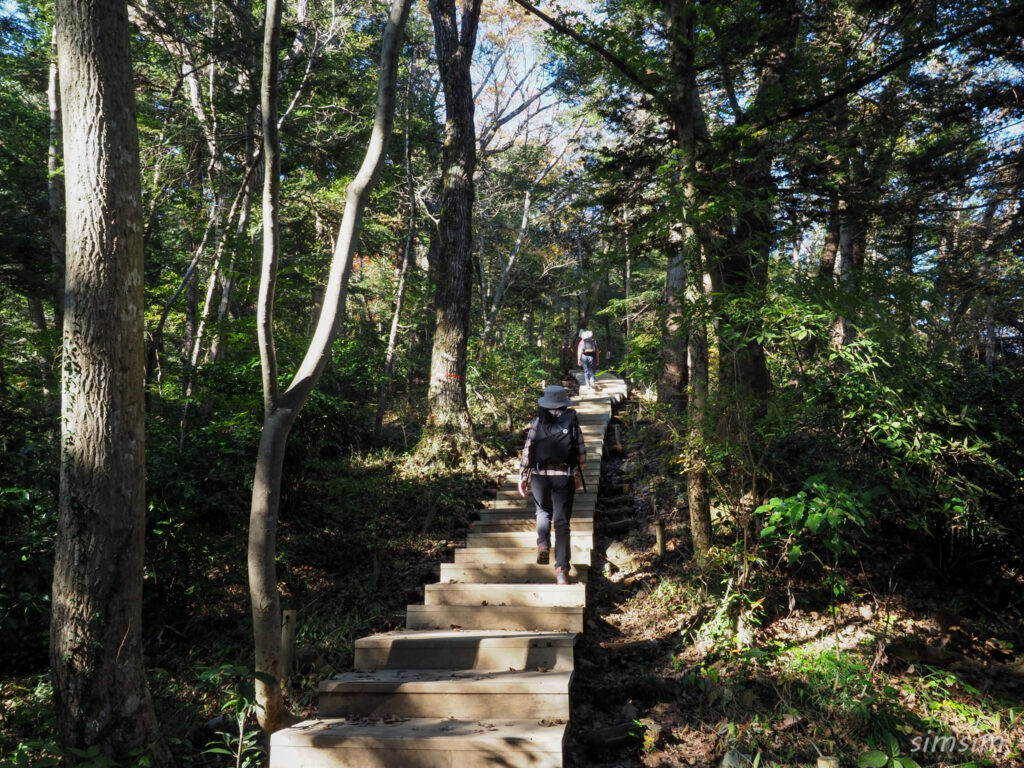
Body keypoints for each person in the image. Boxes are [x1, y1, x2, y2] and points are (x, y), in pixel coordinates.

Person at [517, 385, 586, 585]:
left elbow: (528, 449)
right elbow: (580, 450)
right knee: (562, 522)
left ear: (546, 402)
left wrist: (523, 476)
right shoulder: (571, 420)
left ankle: (543, 544)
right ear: (564, 402)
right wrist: (578, 473)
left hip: (539, 475)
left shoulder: (538, 421)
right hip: (564, 476)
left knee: (542, 511)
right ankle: (562, 570)